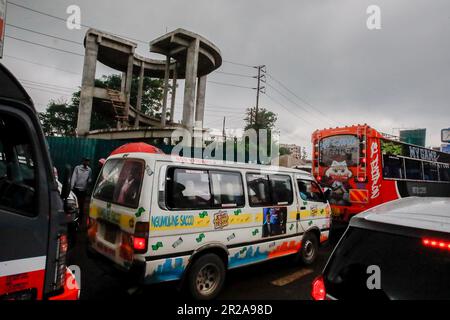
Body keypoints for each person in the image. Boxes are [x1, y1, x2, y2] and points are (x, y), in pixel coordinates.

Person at [71, 157, 92, 226]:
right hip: (76, 189)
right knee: (75, 205)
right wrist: (71, 186)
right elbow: (74, 177)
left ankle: (80, 221)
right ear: (83, 161)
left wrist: (89, 182)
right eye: (85, 161)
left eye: (88, 161)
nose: (87, 163)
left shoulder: (89, 170)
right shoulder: (77, 168)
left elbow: (89, 179)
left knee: (82, 205)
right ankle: (74, 219)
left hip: (83, 190)